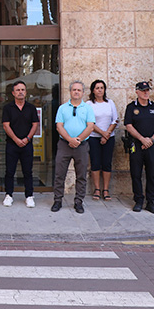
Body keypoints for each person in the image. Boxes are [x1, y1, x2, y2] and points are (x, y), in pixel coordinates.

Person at [51, 81, 95, 214]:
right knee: (59, 174)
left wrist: (78, 139)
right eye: (74, 89)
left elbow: (90, 126)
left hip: (81, 146)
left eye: (79, 90)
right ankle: (58, 200)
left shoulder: (87, 108)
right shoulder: (62, 108)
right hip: (64, 145)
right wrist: (70, 139)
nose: (76, 92)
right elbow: (59, 126)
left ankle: (78, 202)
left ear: (83, 92)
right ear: (70, 91)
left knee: (81, 175)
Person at [124, 81, 154, 215]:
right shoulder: (131, 107)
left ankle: (151, 202)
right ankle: (139, 200)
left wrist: (151, 140)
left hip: (151, 145)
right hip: (136, 144)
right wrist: (142, 139)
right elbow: (129, 126)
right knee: (136, 173)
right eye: (143, 90)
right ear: (137, 92)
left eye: (147, 90)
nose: (146, 92)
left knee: (152, 173)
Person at [1, 80, 39, 208]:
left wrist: (27, 138)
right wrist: (16, 139)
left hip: (27, 144)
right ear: (13, 93)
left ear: (26, 92)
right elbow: (6, 125)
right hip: (12, 144)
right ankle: (9, 195)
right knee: (10, 171)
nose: (20, 92)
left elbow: (35, 124)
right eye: (18, 90)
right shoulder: (7, 108)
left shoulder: (31, 108)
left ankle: (29, 196)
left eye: (22, 90)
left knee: (28, 171)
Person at [87, 79, 118, 201]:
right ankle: (97, 189)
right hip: (94, 138)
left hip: (109, 138)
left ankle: (106, 189)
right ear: (93, 90)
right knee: (95, 163)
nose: (100, 90)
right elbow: (89, 122)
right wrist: (102, 133)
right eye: (97, 88)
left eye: (102, 88)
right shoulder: (89, 104)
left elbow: (115, 120)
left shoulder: (110, 103)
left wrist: (107, 134)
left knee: (106, 163)